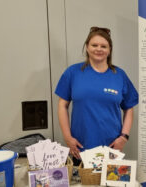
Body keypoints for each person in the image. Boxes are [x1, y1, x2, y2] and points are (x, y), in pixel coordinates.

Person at [55, 26, 138, 160]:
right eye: (94, 45)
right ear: (87, 47)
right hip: (80, 148)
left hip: (111, 149)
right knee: (81, 181)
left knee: (109, 181)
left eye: (104, 46)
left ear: (109, 50)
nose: (99, 49)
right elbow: (62, 105)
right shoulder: (73, 73)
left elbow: (129, 107)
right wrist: (67, 138)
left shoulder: (119, 75)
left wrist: (124, 137)